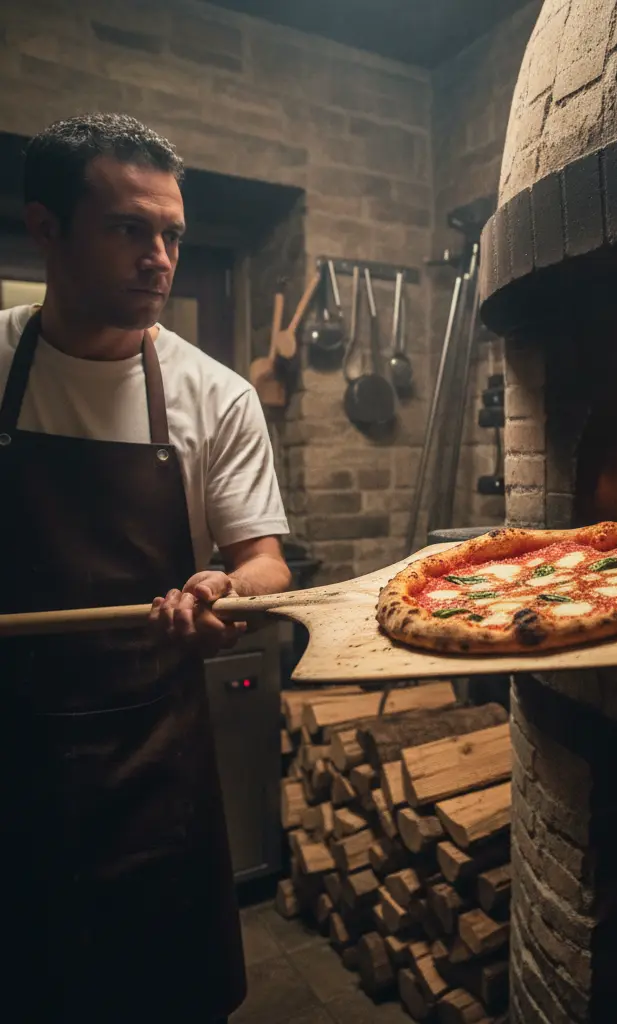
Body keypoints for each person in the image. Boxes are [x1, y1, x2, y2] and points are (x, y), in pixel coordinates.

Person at [0, 114, 292, 1022]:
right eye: (130, 229)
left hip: (154, 765)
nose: (158, 258)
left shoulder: (218, 396)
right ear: (47, 228)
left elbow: (265, 563)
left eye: (172, 235)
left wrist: (225, 588)